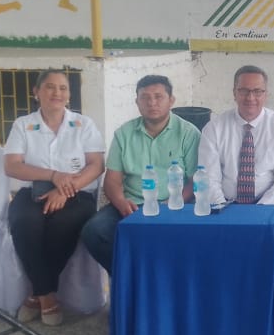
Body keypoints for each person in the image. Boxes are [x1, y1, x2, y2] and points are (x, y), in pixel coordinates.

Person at [3, 69, 105, 326]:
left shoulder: (83, 124)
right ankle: (47, 296)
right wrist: (53, 175)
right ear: (36, 92)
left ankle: (35, 295)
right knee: (24, 222)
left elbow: (96, 165)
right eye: (49, 87)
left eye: (63, 88)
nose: (57, 93)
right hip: (32, 191)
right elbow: (12, 166)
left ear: (69, 95)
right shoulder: (23, 125)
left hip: (77, 192)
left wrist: (64, 189)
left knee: (63, 224)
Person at [80, 74, 200, 274]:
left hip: (175, 205)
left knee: (190, 240)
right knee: (94, 232)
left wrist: (175, 201)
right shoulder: (124, 134)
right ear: (137, 102)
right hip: (132, 205)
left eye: (158, 97)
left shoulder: (188, 133)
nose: (152, 103)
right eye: (145, 97)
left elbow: (195, 179)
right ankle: (130, 278)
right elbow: (112, 181)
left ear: (171, 100)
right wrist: (121, 203)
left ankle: (161, 280)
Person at [198, 65, 274, 205]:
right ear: (234, 93)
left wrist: (259, 211)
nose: (250, 97)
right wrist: (222, 208)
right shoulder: (214, 128)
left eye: (257, 91)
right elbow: (209, 179)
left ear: (266, 94)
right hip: (225, 203)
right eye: (244, 91)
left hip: (270, 205)